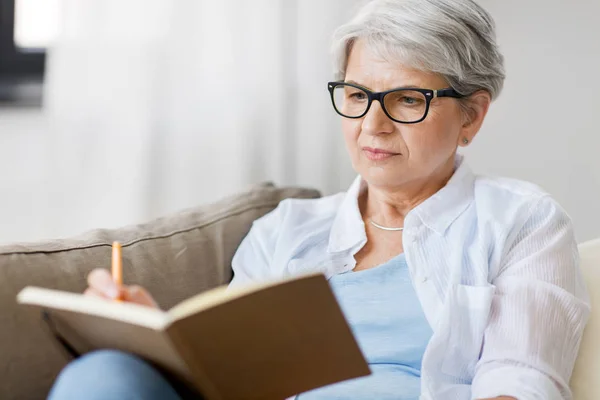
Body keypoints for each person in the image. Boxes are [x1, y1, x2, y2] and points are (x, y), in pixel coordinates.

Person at [48, 0, 590, 399]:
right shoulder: (286, 229)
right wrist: (158, 336)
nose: (371, 125)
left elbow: (520, 379)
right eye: (356, 96)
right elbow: (233, 377)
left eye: (405, 99)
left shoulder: (520, 220)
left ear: (470, 115)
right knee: (101, 376)